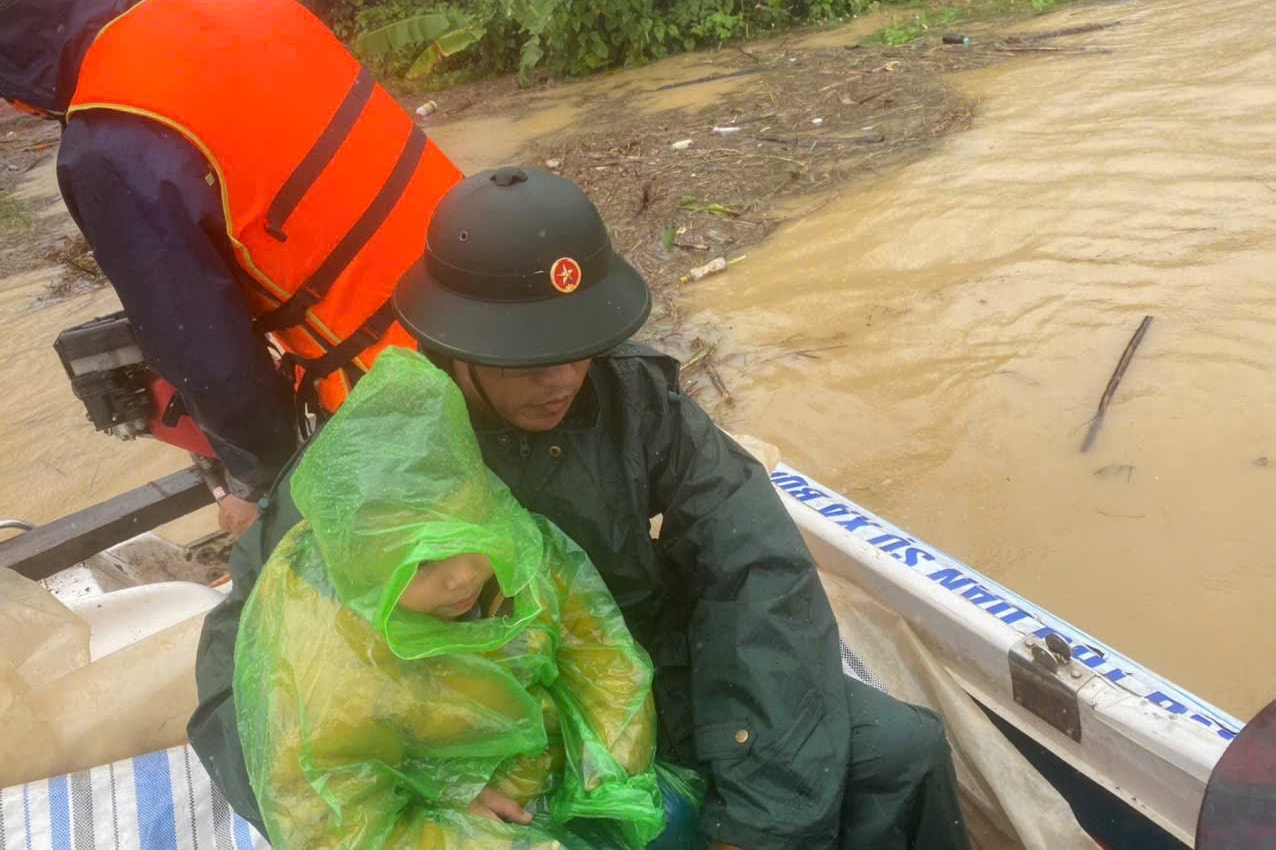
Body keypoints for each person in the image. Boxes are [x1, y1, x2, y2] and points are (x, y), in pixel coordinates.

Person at [190, 166, 971, 850]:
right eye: (529, 358)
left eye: (579, 344)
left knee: (902, 753)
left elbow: (754, 565)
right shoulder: (382, 448)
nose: (562, 379)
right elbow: (239, 665)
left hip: (638, 676)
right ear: (460, 348)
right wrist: (428, 791)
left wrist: (760, 817)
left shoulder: (635, 398)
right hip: (488, 733)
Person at [0, 0, 461, 534]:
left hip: (407, 388)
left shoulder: (110, 137)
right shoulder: (241, 8)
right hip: (490, 281)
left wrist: (259, 487)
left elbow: (208, 356)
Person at [235, 346, 704, 849]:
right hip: (458, 821)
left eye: (470, 538)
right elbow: (334, 819)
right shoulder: (335, 669)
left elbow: (598, 650)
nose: (460, 578)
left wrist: (609, 772)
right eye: (421, 564)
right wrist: (455, 810)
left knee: (673, 819)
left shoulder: (521, 552)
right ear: (363, 566)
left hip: (558, 773)